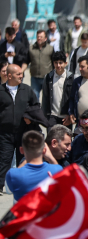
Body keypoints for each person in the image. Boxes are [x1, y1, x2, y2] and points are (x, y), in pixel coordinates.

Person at [0, 64, 41, 192]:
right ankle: (0, 185)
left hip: (23, 133)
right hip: (5, 134)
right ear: (9, 75)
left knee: (23, 160)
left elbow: (36, 107)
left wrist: (31, 118)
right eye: (18, 74)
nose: (21, 76)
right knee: (4, 160)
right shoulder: (1, 91)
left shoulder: (27, 90)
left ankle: (24, 186)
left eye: (21, 74)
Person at [5, 130, 62, 200]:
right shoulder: (57, 170)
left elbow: (9, 191)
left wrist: (29, 157)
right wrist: (51, 157)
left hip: (25, 210)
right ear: (44, 150)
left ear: (21, 150)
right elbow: (63, 182)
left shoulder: (13, 174)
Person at [42, 50, 74, 128]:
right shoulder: (48, 77)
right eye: (56, 63)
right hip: (52, 116)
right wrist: (45, 116)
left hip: (65, 117)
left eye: (60, 63)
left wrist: (70, 115)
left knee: (66, 140)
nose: (58, 65)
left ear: (66, 63)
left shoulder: (71, 78)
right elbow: (45, 97)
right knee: (51, 139)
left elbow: (73, 98)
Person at [28, 30, 53, 99]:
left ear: (45, 38)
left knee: (47, 98)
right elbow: (26, 61)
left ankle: (45, 110)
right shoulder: (31, 48)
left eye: (41, 37)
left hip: (46, 77)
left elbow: (54, 63)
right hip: (34, 77)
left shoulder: (50, 48)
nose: (39, 38)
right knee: (35, 97)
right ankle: (36, 110)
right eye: (38, 37)